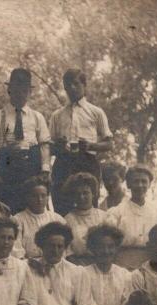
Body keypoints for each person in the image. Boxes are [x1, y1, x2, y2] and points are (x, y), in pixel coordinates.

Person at [49, 69, 113, 215]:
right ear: (64, 88)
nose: (72, 88)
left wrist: (91, 145)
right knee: (62, 206)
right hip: (63, 162)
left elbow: (109, 144)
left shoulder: (95, 112)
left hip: (87, 162)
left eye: (76, 84)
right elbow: (49, 147)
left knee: (89, 206)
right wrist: (58, 146)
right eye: (68, 85)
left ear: (84, 85)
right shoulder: (57, 115)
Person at [0, 68, 51, 214]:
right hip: (7, 170)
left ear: (30, 92)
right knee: (8, 209)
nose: (20, 92)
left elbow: (44, 145)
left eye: (24, 89)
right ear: (9, 89)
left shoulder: (37, 117)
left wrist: (45, 169)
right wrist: (3, 150)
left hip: (31, 169)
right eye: (17, 88)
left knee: (32, 210)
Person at [107, 164, 157, 269]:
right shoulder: (116, 212)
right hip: (122, 264)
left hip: (148, 265)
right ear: (129, 184)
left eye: (144, 181)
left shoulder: (156, 212)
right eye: (136, 181)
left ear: (149, 184)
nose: (140, 185)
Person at [62, 172, 112, 264]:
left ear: (93, 194)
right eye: (78, 194)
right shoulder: (67, 220)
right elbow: (67, 251)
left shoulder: (104, 217)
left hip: (101, 264)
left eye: (86, 193)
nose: (81, 197)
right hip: (77, 266)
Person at [12, 176, 64, 259]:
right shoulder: (17, 220)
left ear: (48, 197)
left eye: (43, 196)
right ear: (27, 197)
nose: (40, 200)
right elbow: (16, 250)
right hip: (27, 265)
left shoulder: (57, 219)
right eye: (34, 196)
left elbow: (64, 249)